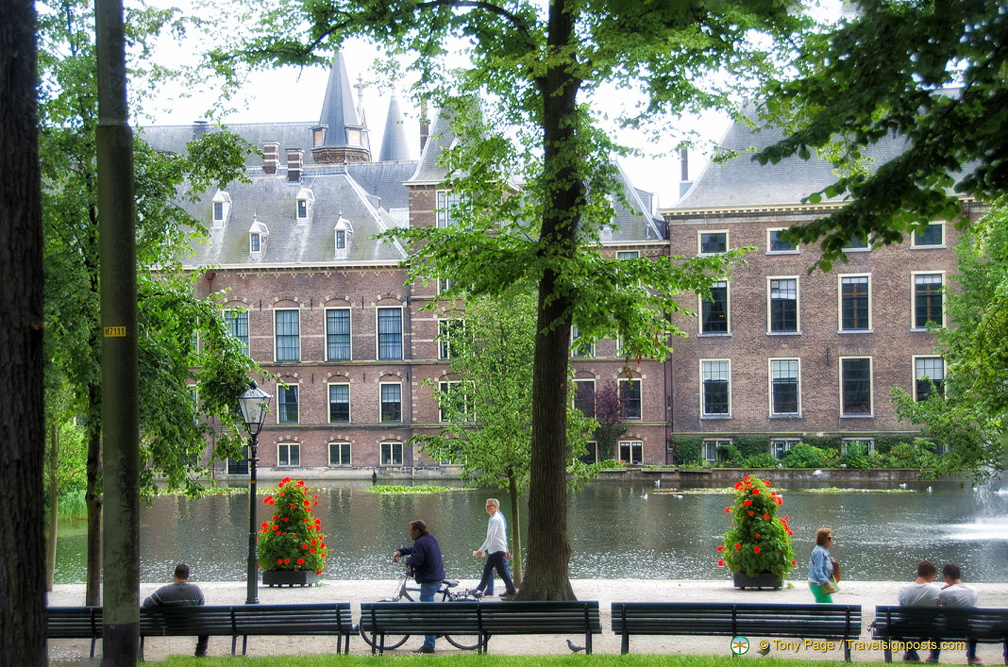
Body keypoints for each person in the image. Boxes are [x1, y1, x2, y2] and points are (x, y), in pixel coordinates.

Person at [393, 519, 446, 654]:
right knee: (429, 608)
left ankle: (429, 645)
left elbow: (418, 559)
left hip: (429, 580)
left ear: (418, 531)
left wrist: (408, 561)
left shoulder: (420, 542)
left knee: (427, 612)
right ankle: (435, 633)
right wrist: (402, 551)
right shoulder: (429, 539)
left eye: (411, 530)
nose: (409, 533)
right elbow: (416, 550)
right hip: (437, 577)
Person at [142, 562, 208, 657]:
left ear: (174, 576)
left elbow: (147, 603)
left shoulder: (164, 591)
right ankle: (200, 652)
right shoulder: (196, 590)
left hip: (169, 626)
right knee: (205, 623)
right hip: (192, 626)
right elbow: (201, 607)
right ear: (188, 576)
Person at [926, 563, 981, 665]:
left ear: (947, 576)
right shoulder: (973, 591)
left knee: (935, 624)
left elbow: (939, 608)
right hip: (968, 628)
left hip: (948, 627)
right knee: (971, 624)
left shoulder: (945, 592)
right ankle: (972, 656)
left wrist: (945, 589)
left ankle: (934, 656)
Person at [471, 498, 517, 601]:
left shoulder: (495, 519)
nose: (487, 508)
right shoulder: (494, 518)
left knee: (502, 572)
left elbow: (490, 537)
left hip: (496, 550)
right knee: (487, 570)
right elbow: (502, 536)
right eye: (486, 506)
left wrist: (481, 550)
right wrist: (506, 550)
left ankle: (512, 592)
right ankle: (479, 590)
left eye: (489, 506)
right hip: (494, 550)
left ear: (496, 507)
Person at [898, 560, 940, 662]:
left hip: (908, 627)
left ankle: (912, 654)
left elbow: (901, 609)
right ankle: (933, 657)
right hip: (930, 628)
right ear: (931, 574)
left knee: (902, 626)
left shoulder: (904, 589)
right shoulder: (936, 590)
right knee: (934, 627)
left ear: (918, 573)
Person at [808, 528, 838, 603]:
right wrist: (827, 584)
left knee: (822, 608)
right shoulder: (819, 552)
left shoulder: (823, 550)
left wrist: (830, 562)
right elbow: (818, 570)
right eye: (829, 538)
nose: (831, 540)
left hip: (820, 584)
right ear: (823, 539)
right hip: (818, 584)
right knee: (829, 608)